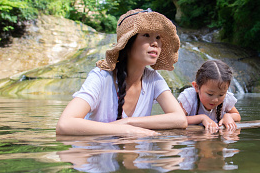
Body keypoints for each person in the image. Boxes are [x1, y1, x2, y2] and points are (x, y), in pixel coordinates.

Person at [56, 8, 187, 136]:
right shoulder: (101, 76)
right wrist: (127, 130)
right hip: (97, 153)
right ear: (128, 43)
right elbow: (65, 124)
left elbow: (180, 119)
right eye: (146, 35)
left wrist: (128, 122)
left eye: (158, 37)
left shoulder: (153, 79)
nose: (155, 43)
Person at [178, 59, 241, 132]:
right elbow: (177, 119)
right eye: (210, 94)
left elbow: (237, 115)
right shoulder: (189, 97)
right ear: (196, 87)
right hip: (192, 137)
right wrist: (202, 118)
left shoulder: (226, 99)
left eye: (221, 95)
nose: (215, 100)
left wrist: (228, 116)